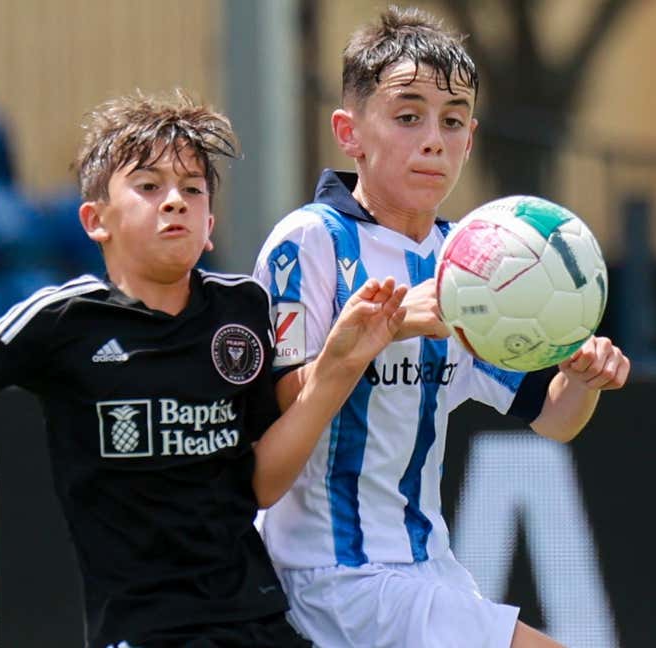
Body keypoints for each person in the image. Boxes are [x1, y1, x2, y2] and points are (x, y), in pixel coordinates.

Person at [0, 91, 409, 648]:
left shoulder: (244, 308)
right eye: (149, 187)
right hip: (145, 630)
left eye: (191, 189)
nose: (173, 202)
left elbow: (262, 485)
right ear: (96, 219)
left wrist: (335, 374)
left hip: (258, 620)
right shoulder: (61, 322)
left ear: (211, 224)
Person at [253, 7, 631, 648]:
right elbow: (272, 407)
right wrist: (382, 331)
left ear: (471, 139)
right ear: (350, 132)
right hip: (329, 575)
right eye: (408, 116)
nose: (434, 138)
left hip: (431, 571)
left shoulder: (475, 262)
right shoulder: (309, 243)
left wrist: (582, 376)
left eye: (452, 120)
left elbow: (554, 420)